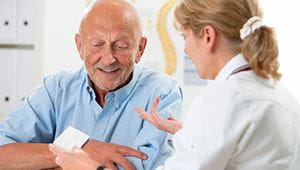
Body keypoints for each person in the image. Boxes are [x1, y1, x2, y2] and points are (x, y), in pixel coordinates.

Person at [49, 0, 300, 169]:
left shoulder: (224, 100)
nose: (186, 49)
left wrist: (89, 166)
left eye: (185, 36)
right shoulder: (277, 91)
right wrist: (189, 133)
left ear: (209, 37)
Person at [0, 0, 183, 169]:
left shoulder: (163, 92)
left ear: (140, 49)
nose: (109, 59)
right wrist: (82, 149)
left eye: (121, 46)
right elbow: (4, 153)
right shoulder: (57, 88)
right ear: (80, 46)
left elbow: (142, 167)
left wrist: (52, 162)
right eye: (97, 44)